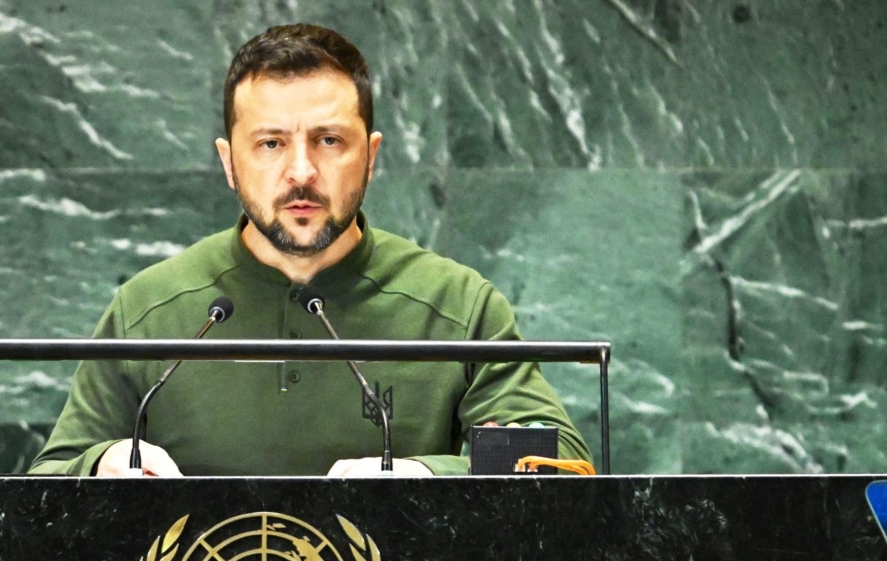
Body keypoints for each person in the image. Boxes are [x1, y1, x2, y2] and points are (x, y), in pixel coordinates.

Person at [29, 23, 591, 477]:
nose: (301, 172)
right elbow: (47, 482)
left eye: (328, 141)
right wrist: (101, 463)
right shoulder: (147, 309)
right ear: (228, 162)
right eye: (271, 143)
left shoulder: (458, 306)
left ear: (370, 156)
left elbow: (562, 464)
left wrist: (423, 475)